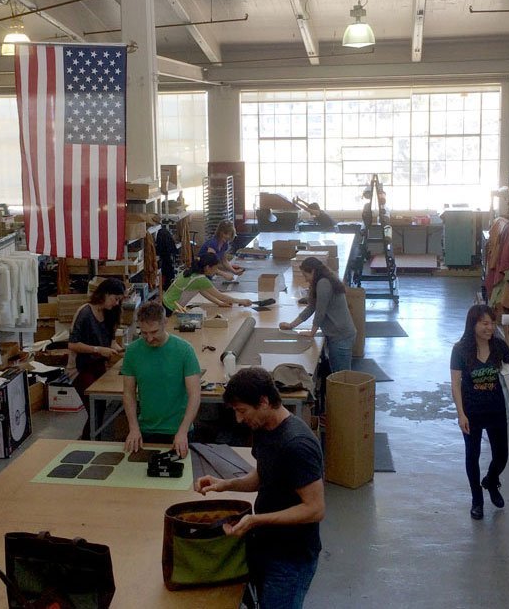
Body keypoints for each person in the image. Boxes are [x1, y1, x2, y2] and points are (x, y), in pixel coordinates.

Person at [194, 367, 324, 609]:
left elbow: (315, 509)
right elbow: (263, 476)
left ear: (264, 402)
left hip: (291, 559)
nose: (239, 419)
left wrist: (256, 520)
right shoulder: (264, 429)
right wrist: (224, 485)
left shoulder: (297, 445)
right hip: (267, 547)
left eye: (242, 411)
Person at [449, 304, 509, 520]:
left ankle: (491, 481)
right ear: (473, 324)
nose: (489, 328)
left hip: (495, 409)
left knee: (501, 455)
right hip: (472, 411)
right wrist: (461, 414)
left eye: (492, 323)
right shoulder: (460, 350)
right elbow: (456, 384)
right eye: (485, 323)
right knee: (472, 456)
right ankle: (477, 500)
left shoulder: (499, 346)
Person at [122, 301, 202, 457]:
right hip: (146, 430)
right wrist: (133, 428)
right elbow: (128, 394)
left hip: (178, 431)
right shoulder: (132, 352)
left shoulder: (184, 350)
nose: (149, 338)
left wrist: (183, 431)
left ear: (165, 322)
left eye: (154, 332)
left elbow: (195, 395)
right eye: (144, 333)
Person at [67, 278, 126, 439]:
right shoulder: (85, 312)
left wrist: (120, 350)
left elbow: (111, 341)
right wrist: (98, 349)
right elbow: (72, 345)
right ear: (105, 294)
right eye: (115, 299)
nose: (116, 303)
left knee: (100, 408)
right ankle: (87, 442)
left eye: (119, 300)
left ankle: (92, 440)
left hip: (98, 366)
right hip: (80, 368)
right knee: (94, 410)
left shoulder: (110, 313)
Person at [279, 256, 356, 373]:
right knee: (337, 373)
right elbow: (311, 307)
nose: (305, 280)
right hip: (337, 334)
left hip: (341, 336)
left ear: (313, 271)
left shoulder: (323, 283)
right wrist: (291, 325)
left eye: (306, 275)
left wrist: (312, 332)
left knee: (342, 377)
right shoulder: (321, 281)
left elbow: (320, 311)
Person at [162, 252, 251, 315]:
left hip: (165, 303)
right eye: (215, 268)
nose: (216, 271)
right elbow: (221, 296)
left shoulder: (190, 271)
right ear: (208, 267)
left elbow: (201, 290)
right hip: (170, 308)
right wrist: (241, 301)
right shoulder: (200, 279)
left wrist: (219, 303)